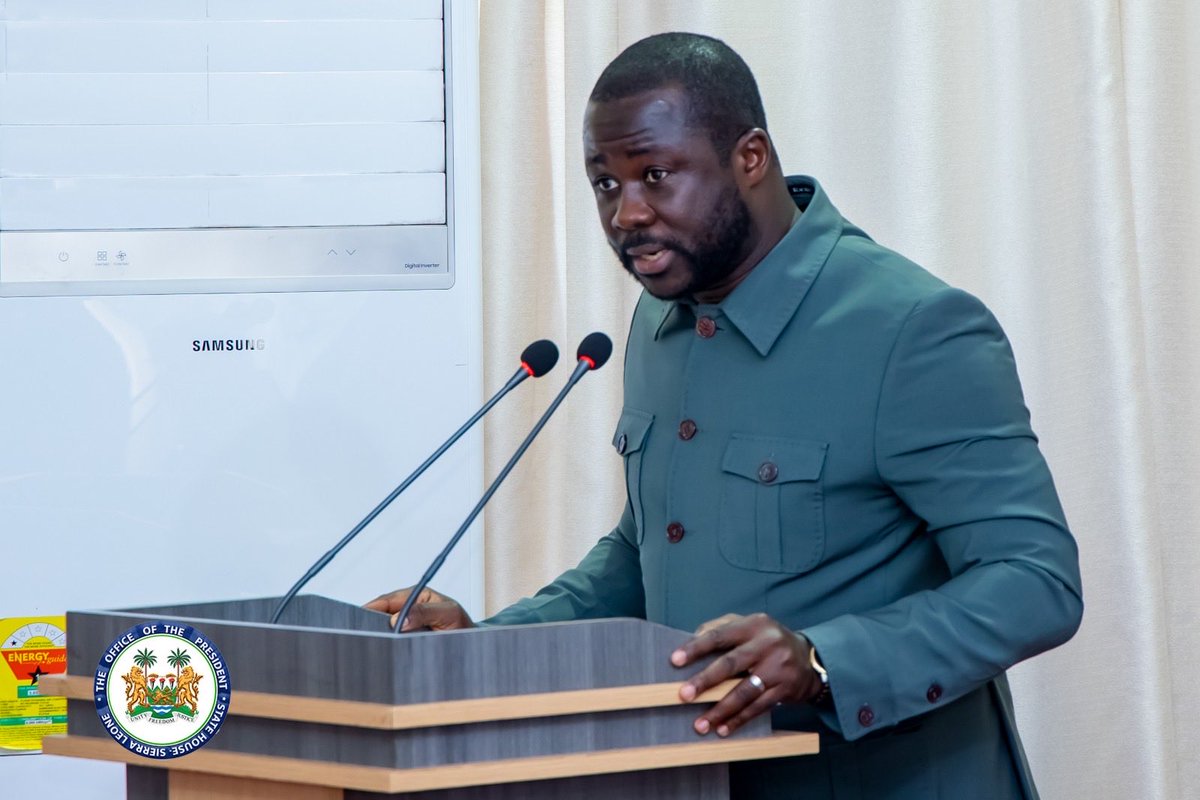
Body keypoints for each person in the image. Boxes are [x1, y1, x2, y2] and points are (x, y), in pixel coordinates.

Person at [368, 32, 1083, 799]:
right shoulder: (660, 322)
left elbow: (1036, 582)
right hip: (703, 778)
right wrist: (486, 647)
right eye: (605, 184)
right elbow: (645, 554)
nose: (627, 214)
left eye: (656, 174)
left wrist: (821, 660)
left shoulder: (912, 329)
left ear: (750, 158)